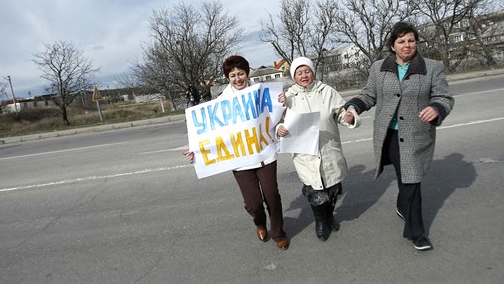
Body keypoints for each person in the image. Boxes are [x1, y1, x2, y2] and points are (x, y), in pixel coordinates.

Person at [344, 21, 454, 251]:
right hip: (388, 135)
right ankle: (403, 206)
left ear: (416, 43)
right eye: (401, 41)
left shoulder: (432, 67)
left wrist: (436, 108)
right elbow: (368, 95)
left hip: (415, 135)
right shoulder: (378, 68)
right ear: (392, 45)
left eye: (411, 40)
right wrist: (353, 108)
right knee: (404, 177)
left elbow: (444, 97)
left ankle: (417, 232)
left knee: (411, 180)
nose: (407, 45)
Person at [183, 55, 289, 250]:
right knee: (253, 203)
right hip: (240, 160)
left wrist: (283, 101)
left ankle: (278, 232)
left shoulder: (262, 93)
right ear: (228, 78)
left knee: (272, 196)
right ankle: (259, 222)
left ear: (247, 74)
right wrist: (196, 151)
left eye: (241, 73)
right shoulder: (221, 102)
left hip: (265, 154)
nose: (237, 78)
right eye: (233, 75)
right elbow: (212, 133)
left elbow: (276, 116)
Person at [276, 57, 360, 241]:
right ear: (294, 76)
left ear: (313, 72)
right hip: (305, 154)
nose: (304, 75)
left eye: (307, 71)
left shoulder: (327, 91)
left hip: (328, 148)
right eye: (299, 73)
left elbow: (340, 113)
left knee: (332, 188)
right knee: (315, 191)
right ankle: (321, 221)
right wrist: (279, 129)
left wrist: (349, 117)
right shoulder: (287, 98)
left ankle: (330, 216)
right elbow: (278, 122)